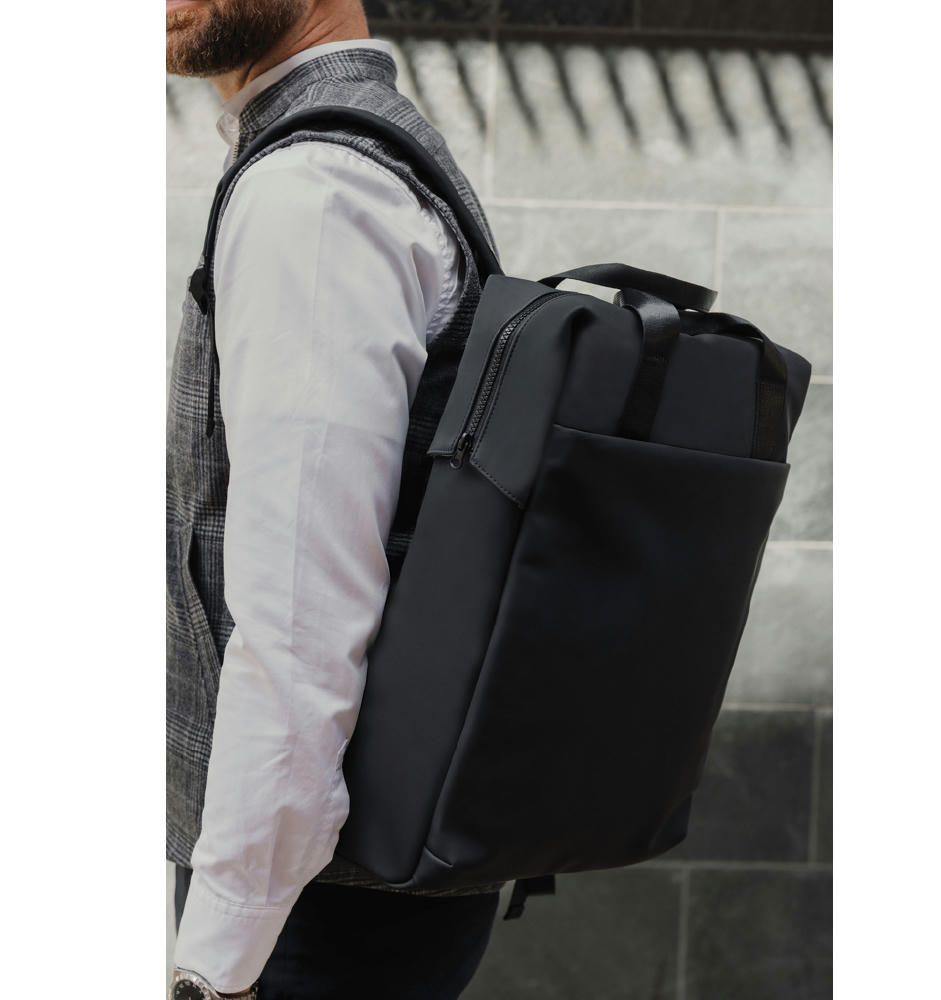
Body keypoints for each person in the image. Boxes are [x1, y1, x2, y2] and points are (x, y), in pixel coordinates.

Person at [165, 2, 504, 997]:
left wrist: (217, 965)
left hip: (308, 907)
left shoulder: (313, 187)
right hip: (349, 890)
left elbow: (300, 614)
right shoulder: (375, 148)